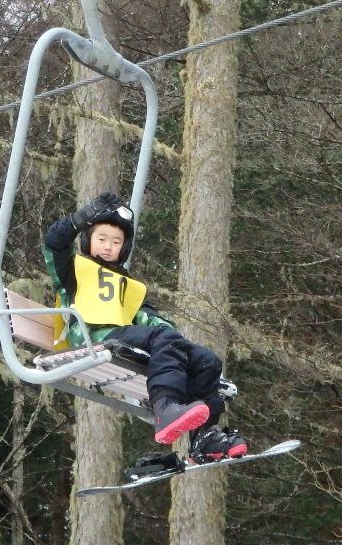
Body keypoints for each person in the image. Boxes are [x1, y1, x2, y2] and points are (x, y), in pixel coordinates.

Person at [43, 192, 248, 461]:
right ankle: (165, 406)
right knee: (165, 339)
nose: (108, 246)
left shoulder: (128, 284)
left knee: (206, 359)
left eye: (116, 242)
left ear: (124, 248)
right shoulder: (73, 270)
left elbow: (147, 317)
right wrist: (80, 218)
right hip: (94, 335)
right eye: (101, 239)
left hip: (125, 336)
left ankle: (205, 436)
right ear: (87, 239)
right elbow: (54, 243)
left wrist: (178, 343)